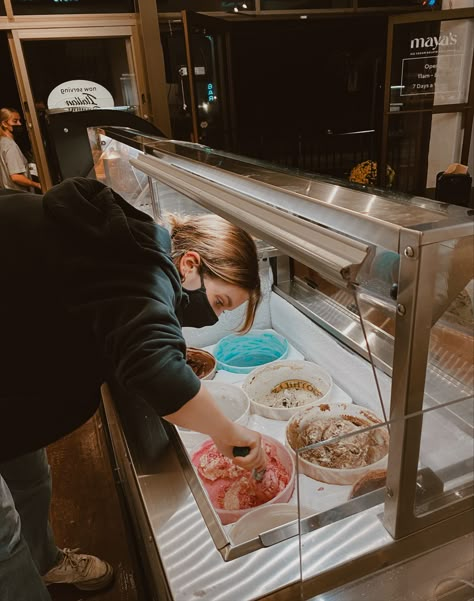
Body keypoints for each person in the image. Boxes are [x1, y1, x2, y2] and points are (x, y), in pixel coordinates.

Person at [0, 176, 265, 599]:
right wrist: (230, 434)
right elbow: (158, 370)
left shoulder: (121, 245)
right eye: (220, 302)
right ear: (190, 264)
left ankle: (46, 562)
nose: (213, 318)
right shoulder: (142, 266)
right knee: (3, 538)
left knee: (30, 478)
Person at [0, 107, 42, 192]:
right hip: (18, 195)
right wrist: (37, 185)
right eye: (15, 121)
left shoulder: (2, 143)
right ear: (4, 123)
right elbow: (16, 177)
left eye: (19, 121)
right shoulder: (10, 145)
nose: (19, 124)